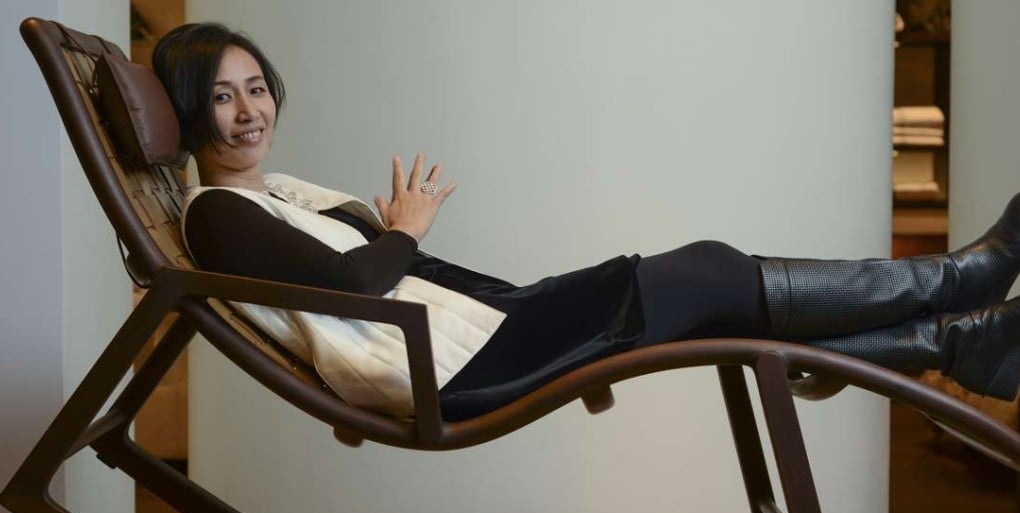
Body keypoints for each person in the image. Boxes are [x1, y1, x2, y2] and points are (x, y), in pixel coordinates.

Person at [153, 23, 1020, 420]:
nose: (247, 110)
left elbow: (372, 279)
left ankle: (958, 340)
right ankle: (954, 288)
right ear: (191, 114)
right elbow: (353, 288)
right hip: (457, 367)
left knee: (718, 300)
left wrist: (400, 242)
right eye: (221, 97)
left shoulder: (274, 195)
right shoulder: (217, 215)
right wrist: (402, 232)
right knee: (711, 272)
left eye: (256, 87)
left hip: (480, 332)